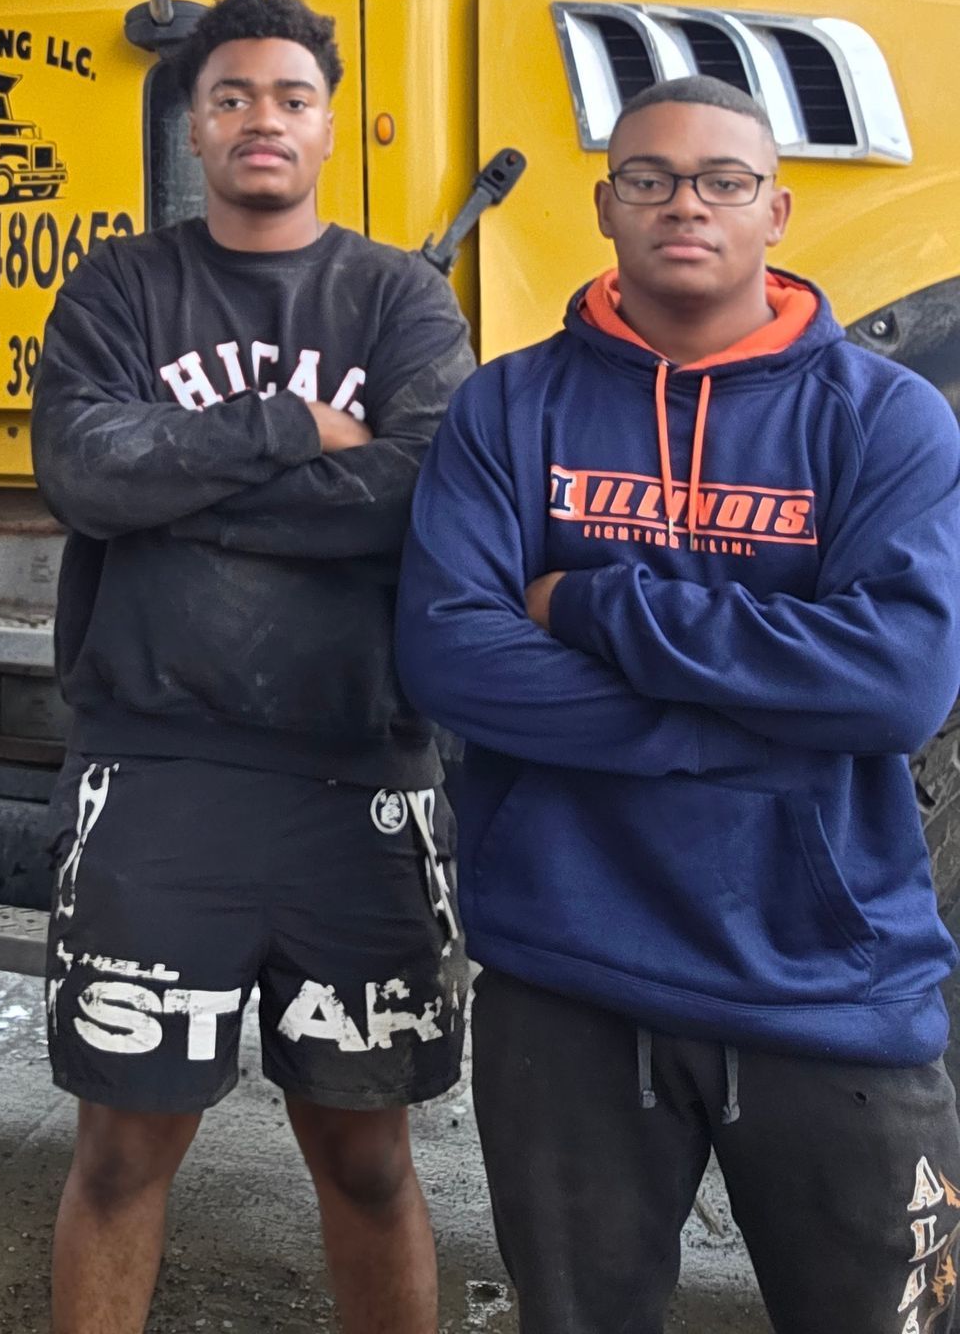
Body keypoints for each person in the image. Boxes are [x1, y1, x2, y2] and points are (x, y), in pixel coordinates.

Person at [396, 75, 960, 1334]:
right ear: (605, 204)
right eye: (648, 178)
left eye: (723, 181)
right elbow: (452, 656)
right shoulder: (509, 407)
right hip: (567, 981)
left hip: (829, 993)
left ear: (779, 209)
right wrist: (744, 721)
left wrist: (594, 608)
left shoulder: (886, 422)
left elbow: (898, 680)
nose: (683, 204)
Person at [31, 0, 477, 1334]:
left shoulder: (397, 297)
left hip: (361, 785)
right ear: (196, 129)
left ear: (330, 126)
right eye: (232, 100)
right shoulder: (121, 287)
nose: (260, 121)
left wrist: (188, 497)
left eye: (289, 98)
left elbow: (422, 493)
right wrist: (292, 427)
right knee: (121, 1151)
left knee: (368, 1155)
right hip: (159, 781)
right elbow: (82, 473)